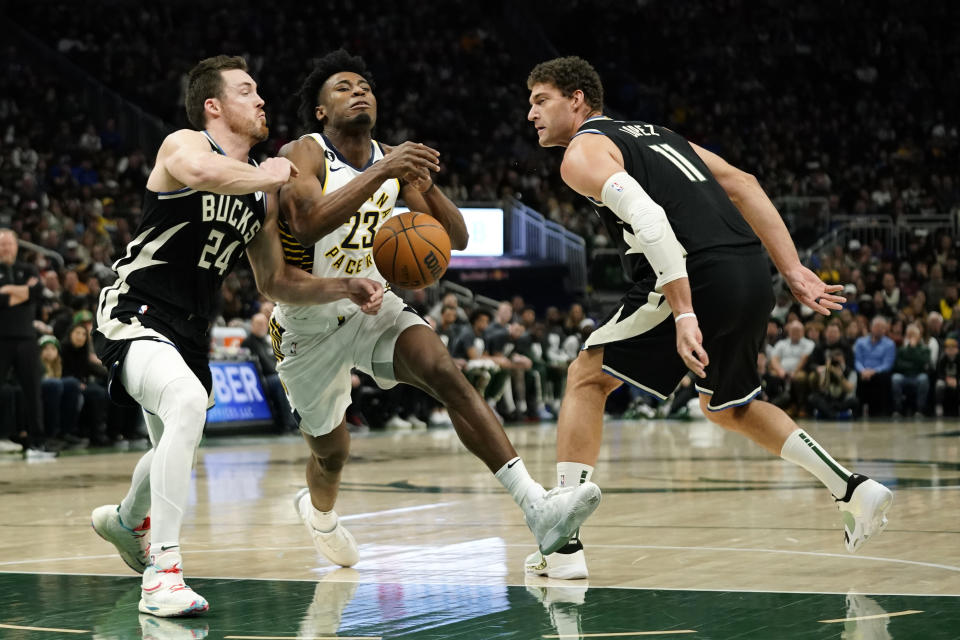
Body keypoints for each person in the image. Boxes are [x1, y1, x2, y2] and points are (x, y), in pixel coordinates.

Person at [523, 56, 893, 579]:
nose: (530, 113)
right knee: (729, 406)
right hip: (747, 269)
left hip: (693, 272)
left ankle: (561, 544)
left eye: (541, 100)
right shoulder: (659, 134)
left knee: (587, 376)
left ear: (577, 100)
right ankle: (853, 489)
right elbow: (742, 182)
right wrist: (791, 268)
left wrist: (682, 311)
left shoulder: (582, 152)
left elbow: (650, 219)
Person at [274, 49, 600, 570]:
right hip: (307, 323)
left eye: (365, 85)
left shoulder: (394, 161)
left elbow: (458, 238)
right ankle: (321, 515)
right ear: (319, 111)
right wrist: (386, 170)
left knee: (446, 373)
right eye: (342, 87)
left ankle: (535, 505)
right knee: (330, 453)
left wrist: (422, 187)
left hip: (372, 307)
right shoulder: (305, 152)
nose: (359, 91)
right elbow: (307, 222)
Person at [88, 55, 385, 618]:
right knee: (186, 402)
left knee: (171, 441)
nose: (261, 100)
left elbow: (275, 281)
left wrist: (343, 286)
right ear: (213, 106)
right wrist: (269, 175)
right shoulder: (185, 146)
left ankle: (127, 522)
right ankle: (164, 574)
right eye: (247, 91)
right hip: (136, 309)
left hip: (191, 330)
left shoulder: (259, 195)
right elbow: (204, 175)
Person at [0, 228, 54, 458]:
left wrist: (9, 291)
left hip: (26, 339)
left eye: (9, 244)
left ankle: (37, 443)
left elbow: (39, 293)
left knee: (33, 391)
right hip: (1, 339)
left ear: (16, 246)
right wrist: (25, 291)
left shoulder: (28, 268)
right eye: (2, 244)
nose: (6, 248)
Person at [241, 312, 297, 432]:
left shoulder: (269, 340)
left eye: (264, 324)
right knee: (280, 380)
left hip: (275, 375)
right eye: (259, 324)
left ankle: (301, 421)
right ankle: (288, 424)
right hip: (261, 379)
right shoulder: (248, 342)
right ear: (252, 325)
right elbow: (264, 366)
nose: (262, 326)